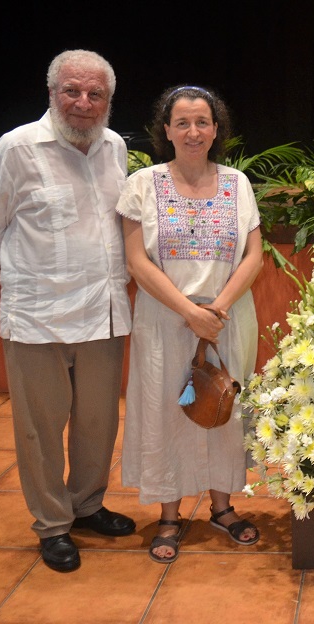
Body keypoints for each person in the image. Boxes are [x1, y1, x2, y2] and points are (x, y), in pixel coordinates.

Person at [0, 49, 136, 572]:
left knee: (97, 422)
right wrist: (37, 275)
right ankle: (52, 524)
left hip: (105, 312)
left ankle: (86, 506)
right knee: (40, 428)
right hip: (38, 316)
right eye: (72, 91)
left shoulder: (115, 148)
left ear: (108, 100)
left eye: (95, 94)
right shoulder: (16, 148)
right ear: (52, 93)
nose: (83, 103)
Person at [117, 85, 263, 563]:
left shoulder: (237, 183)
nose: (193, 131)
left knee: (222, 407)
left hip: (226, 320)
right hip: (165, 322)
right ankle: (169, 515)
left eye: (202, 122)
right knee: (166, 413)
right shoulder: (142, 183)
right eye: (182, 122)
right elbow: (137, 261)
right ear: (167, 130)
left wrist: (215, 310)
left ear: (216, 130)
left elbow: (254, 255)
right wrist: (189, 312)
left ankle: (222, 508)